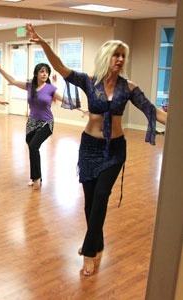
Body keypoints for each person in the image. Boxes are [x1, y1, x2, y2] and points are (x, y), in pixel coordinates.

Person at [25, 22, 167, 276]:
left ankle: (89, 252)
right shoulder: (89, 82)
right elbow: (60, 67)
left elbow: (152, 110)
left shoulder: (129, 87)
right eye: (116, 54)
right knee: (90, 203)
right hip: (89, 147)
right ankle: (97, 240)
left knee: (101, 196)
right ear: (106, 57)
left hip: (114, 150)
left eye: (123, 55)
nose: (120, 59)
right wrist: (44, 43)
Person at [0, 60, 85, 188]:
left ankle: (36, 178)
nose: (44, 74)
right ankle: (36, 176)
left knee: (33, 146)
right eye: (42, 71)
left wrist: (81, 109)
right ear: (36, 73)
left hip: (46, 123)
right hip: (31, 122)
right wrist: (0, 70)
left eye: (47, 72)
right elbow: (13, 81)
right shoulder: (30, 86)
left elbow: (65, 100)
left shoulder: (50, 89)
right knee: (32, 147)